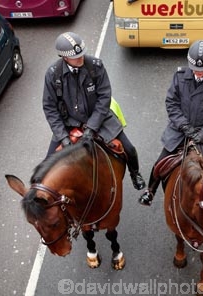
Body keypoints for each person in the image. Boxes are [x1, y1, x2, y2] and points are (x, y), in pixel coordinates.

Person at [138, 40, 203, 206]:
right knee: (160, 163)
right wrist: (185, 127)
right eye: (195, 70)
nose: (199, 73)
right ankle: (150, 191)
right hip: (181, 131)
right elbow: (171, 103)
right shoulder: (179, 77)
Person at [42, 32, 145, 190]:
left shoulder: (95, 66)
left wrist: (91, 128)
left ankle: (134, 173)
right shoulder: (52, 75)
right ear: (64, 57)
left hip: (100, 119)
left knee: (129, 149)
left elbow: (104, 97)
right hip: (69, 124)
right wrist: (63, 137)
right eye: (76, 57)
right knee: (47, 166)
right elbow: (50, 108)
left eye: (82, 54)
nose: (81, 58)